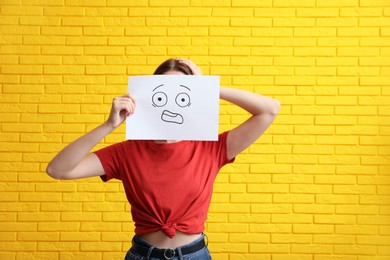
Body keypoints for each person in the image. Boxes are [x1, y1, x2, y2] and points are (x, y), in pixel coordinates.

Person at [46, 58, 281, 260]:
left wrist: (208, 88)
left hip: (194, 255)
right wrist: (109, 126)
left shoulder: (211, 148)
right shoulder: (127, 152)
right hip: (143, 254)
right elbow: (58, 170)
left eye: (181, 90)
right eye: (163, 91)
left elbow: (269, 109)